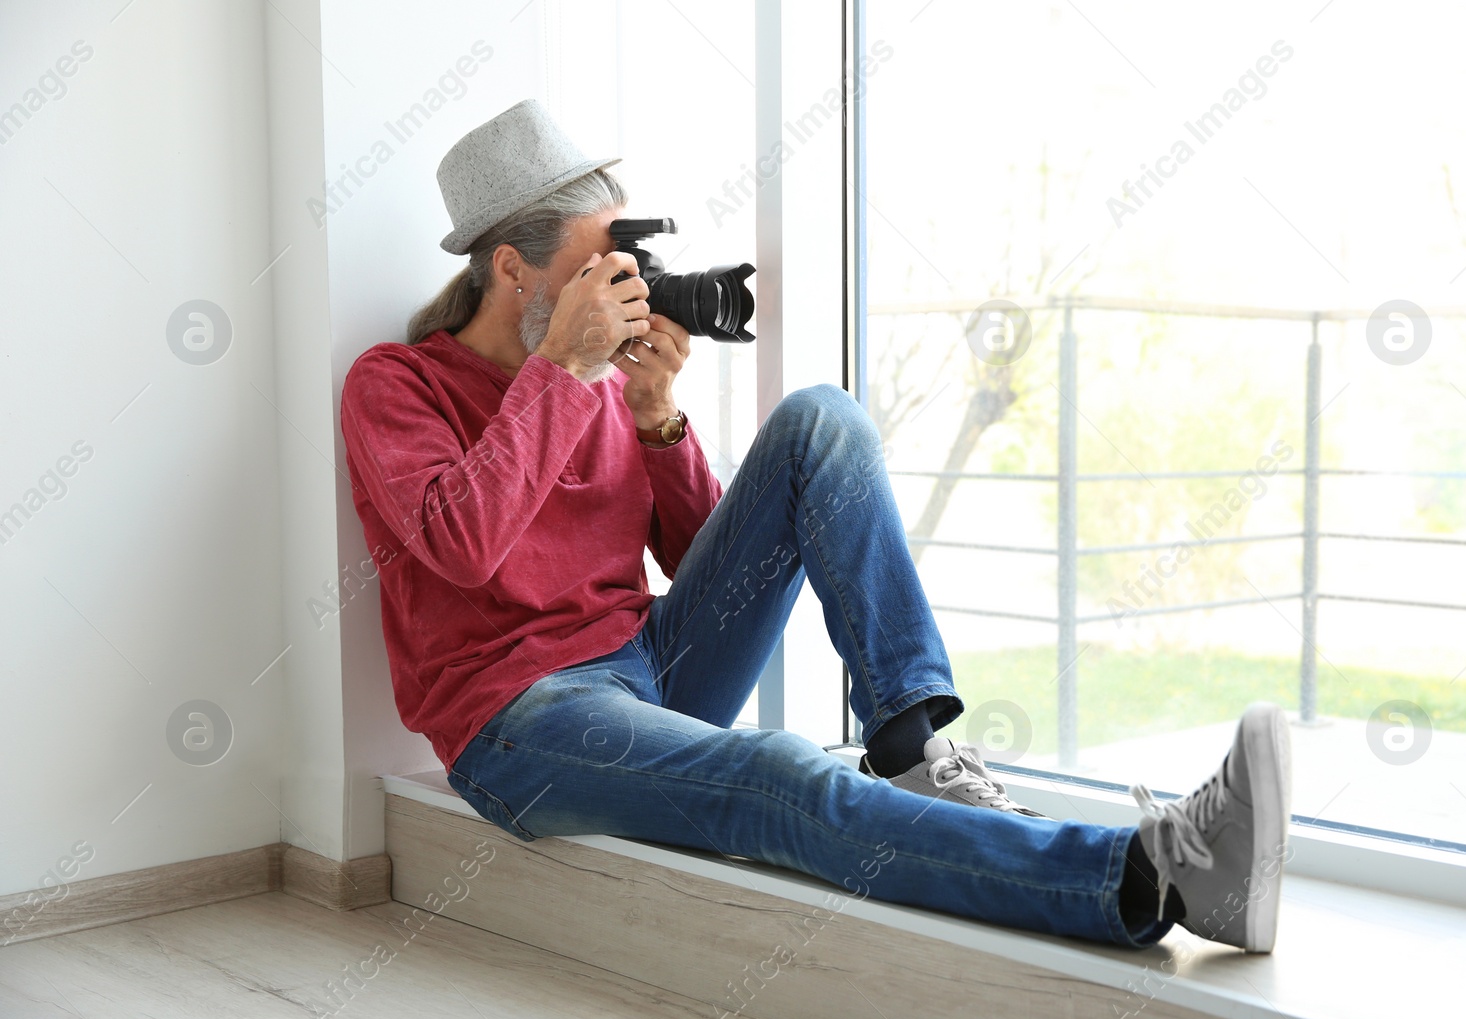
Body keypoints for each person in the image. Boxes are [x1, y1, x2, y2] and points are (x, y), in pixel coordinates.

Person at [340, 99, 1293, 954]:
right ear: (512, 268)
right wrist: (559, 371)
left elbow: (702, 557)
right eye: (598, 268)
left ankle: (914, 746)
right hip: (525, 723)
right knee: (782, 774)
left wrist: (658, 417)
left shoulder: (590, 383)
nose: (622, 288)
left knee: (820, 418)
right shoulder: (396, 383)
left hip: (651, 662)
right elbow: (460, 545)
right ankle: (1156, 875)